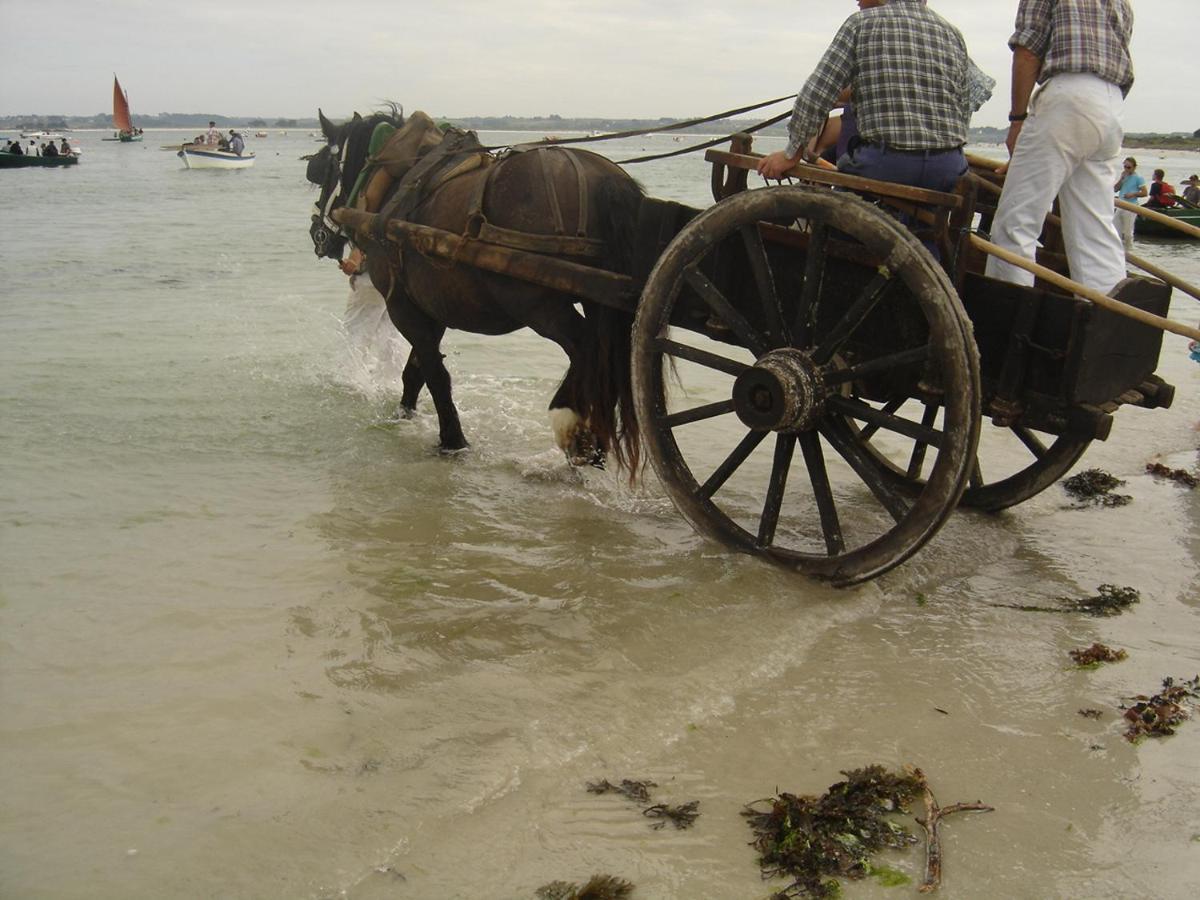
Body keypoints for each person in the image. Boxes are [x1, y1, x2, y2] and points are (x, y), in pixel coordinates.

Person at [984, 0, 1134, 295]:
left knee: (1017, 223)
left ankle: (1008, 316)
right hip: (1111, 105)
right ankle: (1107, 322)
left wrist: (1017, 120)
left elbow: (1027, 51)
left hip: (1069, 94)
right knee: (1095, 228)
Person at [756, 0, 972, 197]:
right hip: (949, 167)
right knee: (924, 228)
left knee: (838, 211)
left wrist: (791, 154)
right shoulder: (952, 33)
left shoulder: (861, 24)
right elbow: (966, 104)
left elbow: (815, 95)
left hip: (887, 164)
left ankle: (833, 237)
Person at [1112, 157, 1147, 249]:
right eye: (1125, 167)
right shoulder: (1124, 176)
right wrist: (1121, 179)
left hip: (1131, 206)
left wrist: (1133, 194)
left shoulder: (1138, 178)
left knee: (1128, 233)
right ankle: (1116, 249)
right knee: (1115, 230)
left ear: (1134, 167)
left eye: (1129, 167)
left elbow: (1144, 192)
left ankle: (1129, 250)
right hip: (1120, 205)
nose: (1127, 169)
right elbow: (1115, 189)